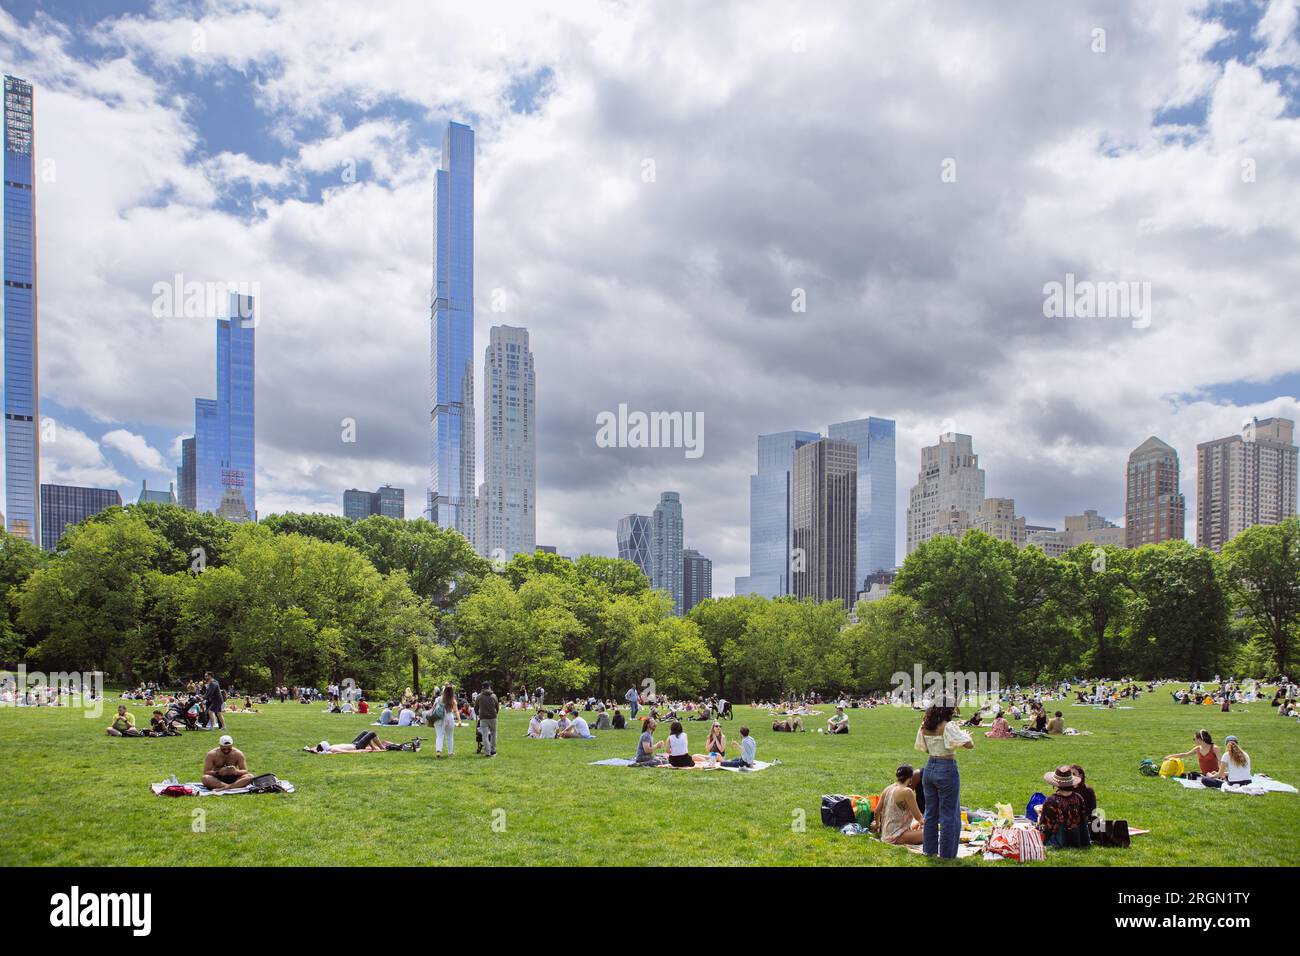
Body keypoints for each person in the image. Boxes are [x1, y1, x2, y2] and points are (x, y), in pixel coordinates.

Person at [914, 701, 973, 859]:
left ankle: (929, 850)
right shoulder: (948, 726)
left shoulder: (925, 726)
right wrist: (966, 735)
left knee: (930, 813)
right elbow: (969, 745)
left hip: (929, 767)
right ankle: (947, 855)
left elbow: (925, 747)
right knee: (949, 814)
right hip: (946, 767)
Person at [1037, 766, 1090, 848]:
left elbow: (1047, 826)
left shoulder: (1051, 801)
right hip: (1076, 839)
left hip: (1058, 840)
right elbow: (1083, 820)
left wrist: (1039, 817)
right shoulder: (1078, 798)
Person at [875, 764, 925, 846]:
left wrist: (878, 825)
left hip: (886, 833)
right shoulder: (907, 792)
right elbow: (919, 817)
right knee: (930, 833)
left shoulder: (887, 789)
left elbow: (877, 811)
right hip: (897, 836)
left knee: (915, 824)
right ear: (910, 778)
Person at [304, 731, 421, 753]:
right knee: (372, 733)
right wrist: (362, 750)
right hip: (357, 746)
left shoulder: (326, 748)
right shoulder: (332, 749)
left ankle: (378, 747)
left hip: (353, 743)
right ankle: (381, 748)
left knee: (365, 732)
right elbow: (346, 752)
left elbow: (315, 748)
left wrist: (310, 749)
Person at [434, 684, 458, 758]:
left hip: (439, 717)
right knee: (450, 736)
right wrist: (459, 720)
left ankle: (438, 751)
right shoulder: (452, 700)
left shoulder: (438, 699)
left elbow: (433, 707)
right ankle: (450, 752)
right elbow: (455, 710)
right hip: (449, 717)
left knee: (439, 735)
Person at [476, 683, 499, 757]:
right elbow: (497, 706)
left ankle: (487, 752)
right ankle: (493, 750)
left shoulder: (479, 696)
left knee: (485, 736)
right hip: (493, 717)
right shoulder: (493, 696)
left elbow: (476, 707)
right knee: (493, 734)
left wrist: (477, 714)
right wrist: (496, 713)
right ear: (489, 687)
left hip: (483, 717)